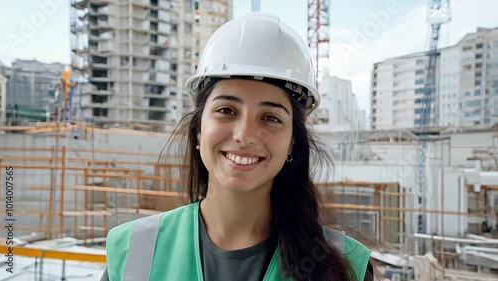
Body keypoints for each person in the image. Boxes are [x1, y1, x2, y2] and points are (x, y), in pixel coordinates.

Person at [101, 12, 374, 281]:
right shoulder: (133, 251)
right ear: (198, 129)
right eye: (226, 110)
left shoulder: (344, 267)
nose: (244, 135)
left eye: (270, 118)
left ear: (292, 141)